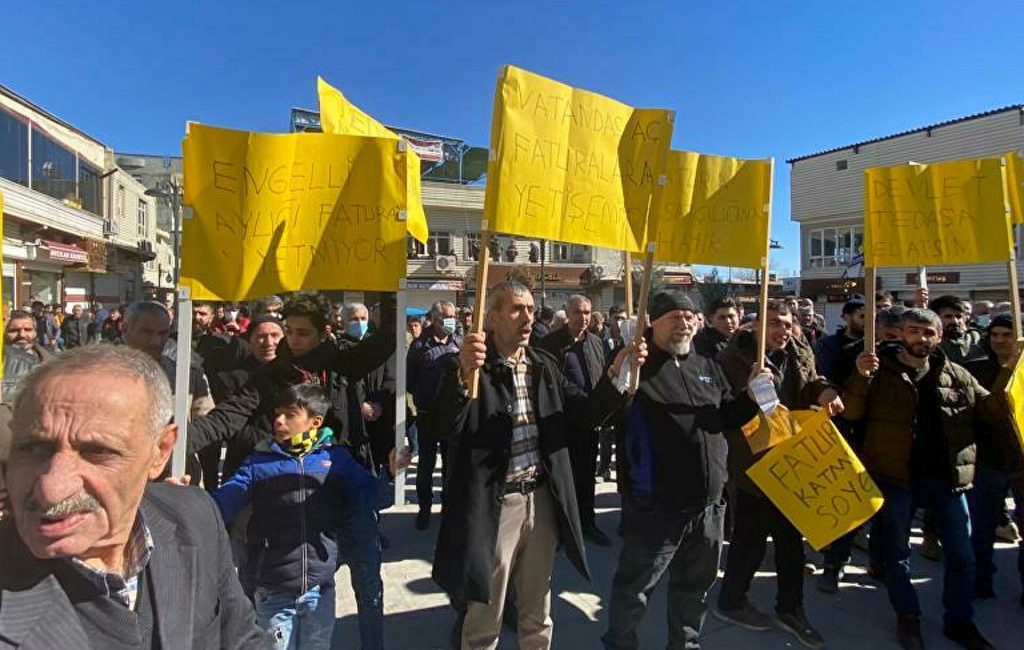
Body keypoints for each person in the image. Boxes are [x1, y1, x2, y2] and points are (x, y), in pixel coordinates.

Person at [0, 345, 264, 649]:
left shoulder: (193, 516)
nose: (51, 488)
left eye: (97, 452)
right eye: (32, 448)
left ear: (161, 451)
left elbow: (244, 640)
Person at [432, 281, 645, 649]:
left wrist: (618, 372)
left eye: (531, 309)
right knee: (485, 613)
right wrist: (461, 374)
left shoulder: (543, 364)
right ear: (492, 317)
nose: (527, 317)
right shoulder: (467, 367)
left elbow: (587, 413)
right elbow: (442, 425)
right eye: (516, 309)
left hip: (542, 501)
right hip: (495, 507)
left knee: (537, 610)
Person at [602, 292, 764, 650]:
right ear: (653, 323)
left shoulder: (706, 364)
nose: (684, 322)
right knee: (634, 591)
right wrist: (616, 375)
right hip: (656, 509)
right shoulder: (636, 366)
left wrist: (751, 398)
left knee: (694, 590)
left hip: (708, 508)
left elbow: (724, 418)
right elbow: (603, 417)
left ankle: (685, 645)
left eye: (690, 316)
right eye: (674, 316)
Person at [845, 308, 1002, 650]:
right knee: (897, 554)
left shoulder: (957, 374)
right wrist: (859, 376)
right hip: (896, 478)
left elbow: (994, 412)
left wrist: (1010, 370)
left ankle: (960, 622)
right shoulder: (877, 372)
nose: (921, 338)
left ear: (939, 336)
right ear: (901, 333)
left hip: (948, 480)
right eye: (914, 331)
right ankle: (908, 618)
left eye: (928, 332)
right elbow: (852, 412)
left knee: (962, 557)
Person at [715, 299, 841, 649]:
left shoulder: (800, 348)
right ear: (755, 326)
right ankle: (732, 600)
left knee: (790, 542)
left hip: (794, 458)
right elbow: (726, 410)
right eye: (773, 323)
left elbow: (812, 381)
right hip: (754, 463)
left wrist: (826, 390)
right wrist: (750, 389)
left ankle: (791, 609)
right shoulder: (733, 357)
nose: (781, 330)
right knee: (749, 540)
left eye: (786, 324)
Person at [213, 384, 378, 650]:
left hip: (319, 588)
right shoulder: (259, 462)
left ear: (315, 421)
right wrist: (192, 502)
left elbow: (371, 496)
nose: (278, 420)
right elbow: (225, 501)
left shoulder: (335, 459)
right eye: (277, 413)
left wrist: (391, 473)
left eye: (290, 414)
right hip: (273, 590)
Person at [539, 294, 611, 546]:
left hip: (589, 423)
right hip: (561, 422)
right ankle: (560, 530)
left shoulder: (596, 342)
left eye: (588, 312)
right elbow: (552, 383)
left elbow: (601, 375)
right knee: (561, 478)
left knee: (585, 475)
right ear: (567, 314)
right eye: (578, 312)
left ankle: (587, 524)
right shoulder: (550, 344)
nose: (583, 318)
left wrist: (604, 408)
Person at [963, 315, 1024, 602]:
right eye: (995, 334)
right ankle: (981, 580)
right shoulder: (976, 370)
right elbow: (988, 410)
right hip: (988, 461)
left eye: (1007, 335)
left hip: (1021, 462)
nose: (1000, 340)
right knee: (982, 529)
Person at [406, 300, 461, 530]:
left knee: (451, 467)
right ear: (436, 319)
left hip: (452, 416)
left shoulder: (458, 342)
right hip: (428, 415)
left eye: (453, 316)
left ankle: (449, 508)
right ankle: (424, 509)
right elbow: (410, 381)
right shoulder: (420, 346)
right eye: (446, 317)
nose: (451, 321)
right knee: (426, 466)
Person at [2, 311, 53, 403]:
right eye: (14, 330)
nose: (22, 335)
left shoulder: (53, 363)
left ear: (35, 332)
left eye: (28, 329)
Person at [814, 298, 866, 384]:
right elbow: (829, 377)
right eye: (862, 316)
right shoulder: (827, 345)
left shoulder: (876, 343)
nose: (866, 321)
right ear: (845, 317)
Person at [928, 295, 985, 365]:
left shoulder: (975, 337)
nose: (955, 321)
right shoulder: (930, 341)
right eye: (948, 316)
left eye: (959, 316)